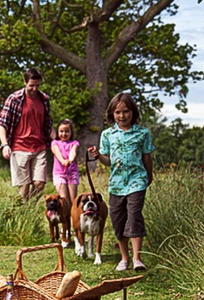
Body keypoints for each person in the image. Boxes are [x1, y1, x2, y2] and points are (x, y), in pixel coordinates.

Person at [88, 93, 154, 271]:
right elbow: (107, 161)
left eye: (126, 111)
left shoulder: (143, 133)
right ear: (112, 114)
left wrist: (149, 175)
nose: (122, 116)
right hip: (116, 184)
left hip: (137, 180)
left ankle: (137, 258)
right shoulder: (108, 134)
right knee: (118, 220)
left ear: (132, 112)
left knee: (134, 216)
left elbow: (147, 157)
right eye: (118, 112)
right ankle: (124, 258)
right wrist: (98, 156)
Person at [0, 68, 55, 201]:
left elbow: (48, 124)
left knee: (39, 184)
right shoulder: (14, 99)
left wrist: (59, 143)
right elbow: (2, 124)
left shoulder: (44, 99)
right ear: (24, 82)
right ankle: (24, 213)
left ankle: (29, 206)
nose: (34, 89)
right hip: (19, 147)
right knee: (24, 188)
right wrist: (5, 144)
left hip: (39, 147)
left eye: (37, 86)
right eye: (31, 86)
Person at [50, 118, 80, 206]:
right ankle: (65, 219)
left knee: (73, 200)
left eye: (66, 131)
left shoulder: (74, 143)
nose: (64, 134)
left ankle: (73, 218)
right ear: (58, 132)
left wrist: (70, 160)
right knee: (64, 200)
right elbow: (56, 152)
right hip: (59, 174)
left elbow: (73, 152)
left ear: (71, 132)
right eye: (61, 131)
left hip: (72, 174)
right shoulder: (55, 143)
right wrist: (63, 161)